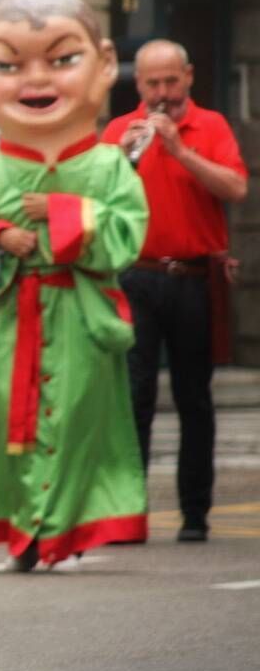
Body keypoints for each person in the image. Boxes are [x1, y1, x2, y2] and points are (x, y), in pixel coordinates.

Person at [0, 0, 148, 570]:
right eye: (8, 65)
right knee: (4, 426)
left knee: (79, 421)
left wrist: (65, 214)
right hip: (10, 319)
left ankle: (61, 535)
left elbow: (127, 232)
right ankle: (24, 529)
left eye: (62, 59)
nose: (35, 79)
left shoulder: (109, 164)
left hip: (80, 316)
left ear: (104, 65)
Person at [102, 39, 250, 542]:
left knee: (194, 397)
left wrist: (180, 151)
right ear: (138, 84)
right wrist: (121, 157)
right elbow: (89, 200)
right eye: (151, 84)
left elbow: (235, 188)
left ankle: (194, 515)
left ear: (188, 76)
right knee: (134, 396)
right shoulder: (120, 131)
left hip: (191, 278)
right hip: (136, 275)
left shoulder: (211, 126)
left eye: (170, 81)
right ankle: (131, 514)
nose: (161, 93)